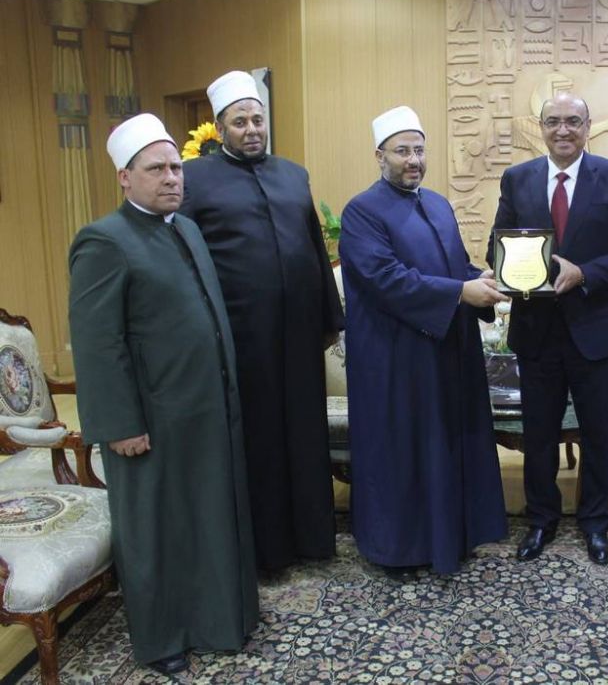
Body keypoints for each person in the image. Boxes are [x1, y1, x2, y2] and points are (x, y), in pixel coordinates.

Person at [68, 114, 258, 674]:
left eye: (177, 167)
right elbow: (97, 344)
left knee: (210, 517)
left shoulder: (186, 229)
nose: (172, 178)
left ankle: (221, 620)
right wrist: (120, 423)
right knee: (156, 530)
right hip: (148, 418)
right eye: (157, 169)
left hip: (204, 409)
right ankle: (162, 638)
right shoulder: (104, 240)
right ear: (125, 177)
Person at [180, 70, 344, 574]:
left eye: (257, 120)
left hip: (299, 332)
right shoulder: (194, 179)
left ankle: (313, 539)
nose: (251, 129)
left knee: (306, 434)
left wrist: (329, 318)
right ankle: (268, 553)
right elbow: (186, 259)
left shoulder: (293, 174)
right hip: (242, 337)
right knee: (261, 440)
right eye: (240, 122)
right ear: (220, 128)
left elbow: (315, 248)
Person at [338, 105, 509, 575]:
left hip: (446, 348)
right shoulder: (361, 211)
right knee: (405, 450)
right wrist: (460, 292)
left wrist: (483, 279)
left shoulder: (436, 203)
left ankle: (454, 538)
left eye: (419, 150)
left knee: (448, 442)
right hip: (395, 357)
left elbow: (453, 267)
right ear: (379, 156)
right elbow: (386, 279)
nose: (413, 160)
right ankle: (400, 549)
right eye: (402, 152)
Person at [489, 92, 608, 565]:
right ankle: (541, 519)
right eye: (553, 121)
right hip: (536, 331)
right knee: (538, 434)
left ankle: (595, 523)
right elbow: (498, 245)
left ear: (588, 126)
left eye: (573, 121)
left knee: (598, 433)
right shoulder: (517, 179)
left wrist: (585, 274)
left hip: (594, 329)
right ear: (540, 127)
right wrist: (509, 271)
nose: (563, 130)